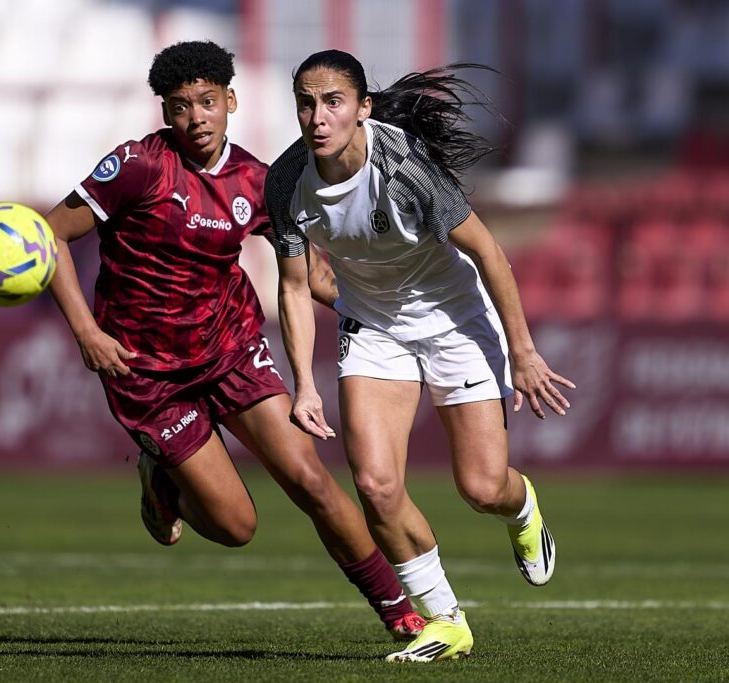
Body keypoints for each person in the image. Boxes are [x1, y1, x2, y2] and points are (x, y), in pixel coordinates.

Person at [43, 41, 425, 641]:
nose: (196, 118)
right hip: (147, 373)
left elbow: (310, 273)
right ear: (165, 113)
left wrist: (381, 310)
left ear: (231, 101)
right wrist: (86, 332)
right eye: (181, 107)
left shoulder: (258, 181)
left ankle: (400, 613)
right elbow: (50, 235)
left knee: (311, 480)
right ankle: (162, 481)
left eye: (207, 102)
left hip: (230, 347)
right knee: (235, 527)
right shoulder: (138, 166)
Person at [265, 50, 576, 663]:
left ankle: (522, 508)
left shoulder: (406, 166)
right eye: (306, 103)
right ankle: (445, 621)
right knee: (376, 486)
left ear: (363, 108)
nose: (318, 117)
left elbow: (488, 253)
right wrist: (304, 384)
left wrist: (523, 353)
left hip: (456, 321)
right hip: (374, 328)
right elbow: (296, 287)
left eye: (333, 102)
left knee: (482, 487)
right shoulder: (286, 181)